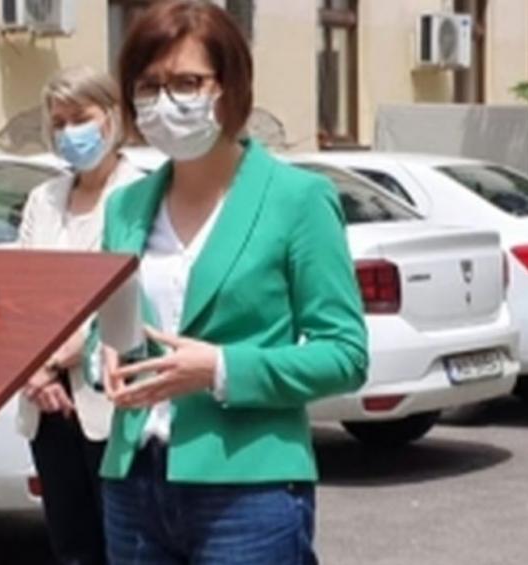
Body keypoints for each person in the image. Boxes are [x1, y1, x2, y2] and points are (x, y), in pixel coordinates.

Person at [94, 2, 369, 563]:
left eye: (186, 82)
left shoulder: (297, 199)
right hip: (133, 479)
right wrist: (101, 355)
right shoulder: (125, 206)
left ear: (230, 86)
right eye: (148, 86)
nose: (165, 101)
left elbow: (345, 354)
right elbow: (108, 327)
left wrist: (220, 369)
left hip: (247, 488)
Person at [15, 65, 144, 565]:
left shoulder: (139, 195)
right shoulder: (43, 199)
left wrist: (55, 360)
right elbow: (22, 295)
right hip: (44, 403)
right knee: (70, 546)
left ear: (111, 116)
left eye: (81, 118)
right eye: (59, 122)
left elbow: (128, 295)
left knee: (125, 545)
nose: (70, 132)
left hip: (111, 399)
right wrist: (34, 372)